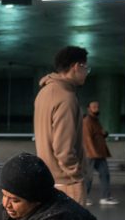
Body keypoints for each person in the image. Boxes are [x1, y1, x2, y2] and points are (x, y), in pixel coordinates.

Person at [34, 45, 90, 205]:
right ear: (76, 66)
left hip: (48, 177)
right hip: (67, 182)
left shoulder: (44, 92)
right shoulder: (66, 97)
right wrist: (77, 175)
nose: (86, 72)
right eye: (86, 68)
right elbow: (63, 149)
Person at [83, 100, 118, 206]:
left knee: (105, 174)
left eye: (97, 107)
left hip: (99, 153)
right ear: (88, 109)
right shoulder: (87, 121)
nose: (96, 109)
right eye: (94, 107)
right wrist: (93, 153)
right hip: (91, 154)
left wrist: (104, 134)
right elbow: (87, 139)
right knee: (88, 177)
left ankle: (105, 197)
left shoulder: (95, 120)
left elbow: (98, 134)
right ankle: (83, 198)